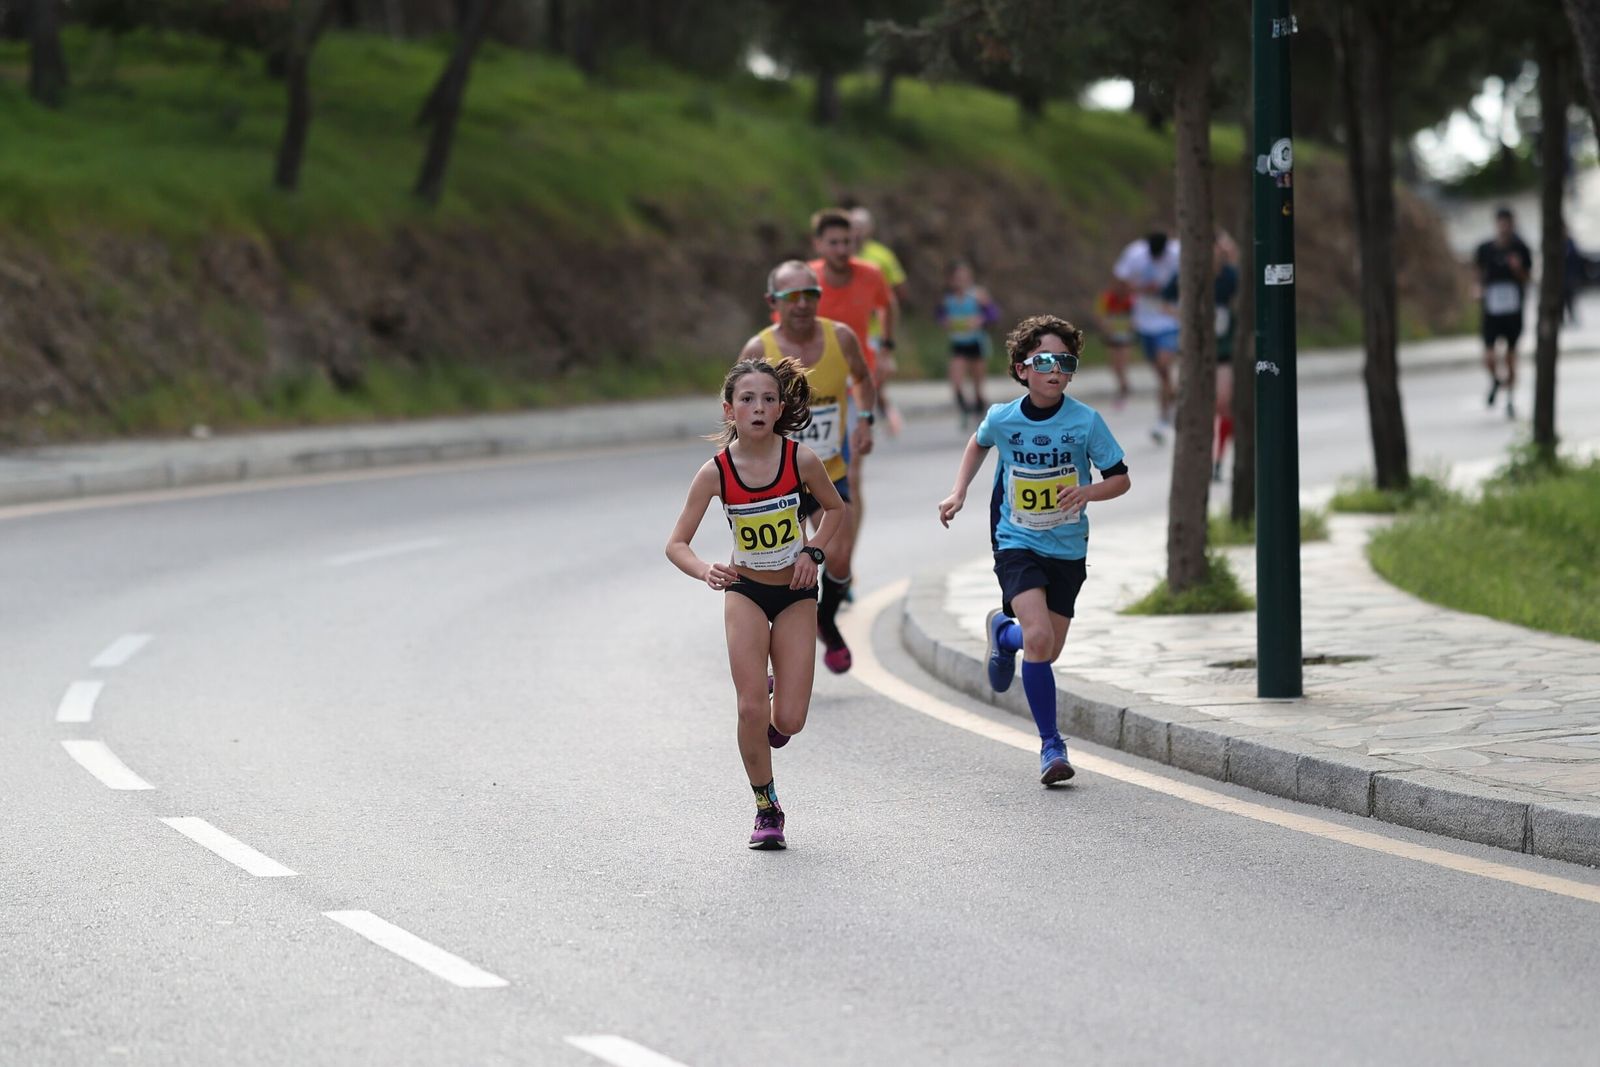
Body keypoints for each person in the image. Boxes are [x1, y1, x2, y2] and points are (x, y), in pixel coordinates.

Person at [937, 314, 1131, 786]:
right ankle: (1051, 746)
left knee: (1046, 647)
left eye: (1066, 362)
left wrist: (1088, 492)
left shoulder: (1086, 422)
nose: (1055, 370)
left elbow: (1121, 479)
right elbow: (978, 443)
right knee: (1040, 637)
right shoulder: (1004, 418)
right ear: (1022, 369)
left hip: (1067, 547)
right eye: (1044, 361)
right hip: (1016, 540)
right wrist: (959, 491)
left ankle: (1004, 635)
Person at [666, 358, 847, 850]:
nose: (759, 407)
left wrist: (813, 552)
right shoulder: (716, 472)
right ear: (730, 410)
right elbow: (676, 544)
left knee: (789, 721)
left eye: (768, 399)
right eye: (747, 399)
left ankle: (773, 703)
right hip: (744, 590)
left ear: (780, 408)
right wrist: (704, 570)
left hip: (795, 594)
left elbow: (835, 509)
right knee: (749, 707)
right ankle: (767, 808)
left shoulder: (800, 460)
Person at [740, 260, 877, 674]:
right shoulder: (759, 350)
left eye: (810, 295)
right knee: (778, 569)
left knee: (840, 560)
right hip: (776, 480)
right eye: (792, 297)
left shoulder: (841, 337)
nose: (802, 304)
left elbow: (862, 379)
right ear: (773, 301)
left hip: (827, 471)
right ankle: (770, 659)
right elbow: (738, 407)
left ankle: (826, 621)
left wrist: (865, 419)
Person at [808, 208, 896, 533]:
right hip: (814, 390)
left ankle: (845, 561)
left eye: (847, 242)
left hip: (857, 384)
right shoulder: (806, 281)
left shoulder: (870, 275)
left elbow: (888, 306)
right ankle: (815, 551)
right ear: (818, 244)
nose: (842, 249)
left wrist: (886, 349)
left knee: (852, 474)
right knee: (807, 476)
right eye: (833, 243)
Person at [1113, 232, 1181, 442]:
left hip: (1170, 320)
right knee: (1162, 374)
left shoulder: (1178, 252)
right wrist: (1143, 288)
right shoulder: (1135, 253)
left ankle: (1163, 418)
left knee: (1164, 364)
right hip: (1144, 321)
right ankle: (1171, 402)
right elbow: (1120, 284)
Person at [849, 205, 910, 434]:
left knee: (871, 376)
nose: (857, 231)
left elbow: (899, 288)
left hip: (874, 329)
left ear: (870, 229)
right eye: (853, 226)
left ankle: (873, 414)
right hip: (847, 327)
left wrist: (880, 304)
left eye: (861, 226)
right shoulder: (842, 255)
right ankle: (876, 412)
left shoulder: (881, 256)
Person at [1474, 206, 1532, 420]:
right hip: (1492, 310)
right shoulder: (1485, 249)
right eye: (1501, 223)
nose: (1504, 227)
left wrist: (1518, 269)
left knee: (1510, 358)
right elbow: (1477, 274)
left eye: (1508, 223)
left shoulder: (1521, 248)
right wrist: (1477, 289)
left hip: (1513, 311)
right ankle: (1497, 381)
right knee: (1489, 356)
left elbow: (1528, 278)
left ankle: (1510, 399)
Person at [937, 260, 1000, 427]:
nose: (961, 281)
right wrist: (945, 321)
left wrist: (981, 320)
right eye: (957, 278)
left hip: (977, 342)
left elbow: (993, 314)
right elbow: (940, 315)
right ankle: (964, 410)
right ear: (950, 280)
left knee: (977, 384)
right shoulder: (947, 298)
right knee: (956, 381)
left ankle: (980, 412)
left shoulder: (978, 295)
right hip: (958, 343)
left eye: (964, 277)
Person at [1211, 232, 1241, 481]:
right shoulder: (1189, 275)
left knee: (1224, 405)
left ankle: (1219, 460)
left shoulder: (1231, 277)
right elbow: (1166, 300)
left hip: (1223, 352)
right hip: (1196, 352)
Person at [1093, 279, 1134, 409]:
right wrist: (1105, 326)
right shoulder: (1107, 298)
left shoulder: (1131, 299)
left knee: (1122, 362)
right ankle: (1123, 385)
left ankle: (1124, 386)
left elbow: (1136, 316)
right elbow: (1099, 315)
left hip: (1125, 335)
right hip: (1112, 335)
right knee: (1115, 365)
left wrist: (1132, 326)